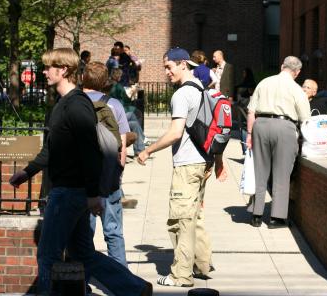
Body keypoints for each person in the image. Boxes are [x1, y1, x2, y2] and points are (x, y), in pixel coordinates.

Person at [9, 48, 152, 296]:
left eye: (48, 67)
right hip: (72, 192)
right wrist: (27, 172)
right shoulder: (64, 105)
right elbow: (53, 149)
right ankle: (135, 288)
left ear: (63, 70)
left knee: (47, 255)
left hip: (69, 193)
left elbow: (90, 153)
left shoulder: (76, 105)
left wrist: (94, 194)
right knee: (83, 253)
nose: (44, 72)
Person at [138, 47, 227, 288]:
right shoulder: (202, 88)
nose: (166, 72)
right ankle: (202, 264)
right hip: (203, 162)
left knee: (180, 221)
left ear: (183, 65)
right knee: (195, 216)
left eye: (169, 67)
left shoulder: (181, 95)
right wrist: (218, 162)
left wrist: (148, 150)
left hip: (187, 165)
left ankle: (181, 275)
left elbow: (175, 133)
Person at [246, 56, 311, 229]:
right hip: (285, 127)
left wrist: (249, 134)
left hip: (260, 125)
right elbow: (306, 119)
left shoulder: (264, 83)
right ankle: (277, 218)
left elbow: (251, 111)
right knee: (282, 173)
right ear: (297, 72)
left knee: (260, 170)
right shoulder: (297, 89)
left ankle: (256, 215)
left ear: (282, 66)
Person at [83, 61, 129, 267]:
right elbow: (123, 147)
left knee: (85, 235)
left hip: (84, 180)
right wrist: (117, 173)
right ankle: (124, 282)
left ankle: (83, 281)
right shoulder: (115, 105)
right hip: (109, 178)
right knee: (113, 231)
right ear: (104, 81)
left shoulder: (75, 103)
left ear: (83, 77)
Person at [109, 68, 145, 157]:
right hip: (116, 116)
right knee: (136, 113)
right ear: (117, 76)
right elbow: (126, 100)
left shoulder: (109, 85)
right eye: (120, 76)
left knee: (135, 124)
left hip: (117, 115)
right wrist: (133, 92)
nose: (121, 77)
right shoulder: (118, 87)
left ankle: (139, 151)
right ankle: (143, 139)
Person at [235, 68, 257, 154]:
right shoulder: (243, 83)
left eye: (244, 73)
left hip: (247, 107)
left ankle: (245, 148)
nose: (243, 74)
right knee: (241, 127)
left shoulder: (251, 84)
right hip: (241, 107)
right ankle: (244, 148)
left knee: (244, 127)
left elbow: (252, 93)